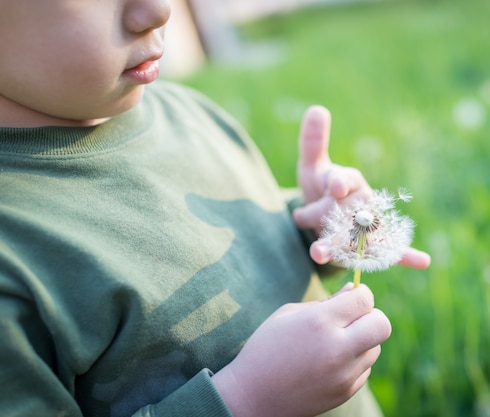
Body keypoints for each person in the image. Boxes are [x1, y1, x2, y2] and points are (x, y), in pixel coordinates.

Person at [0, 0, 431, 416]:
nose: (156, 10)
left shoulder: (188, 113)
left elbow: (241, 252)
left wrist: (318, 227)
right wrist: (246, 400)